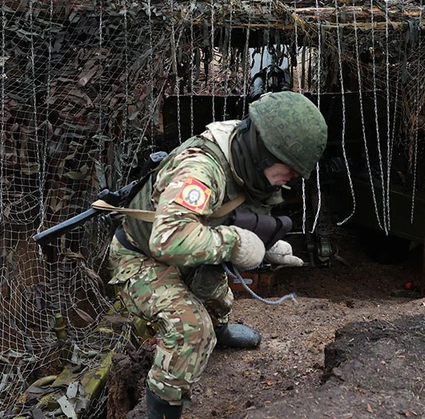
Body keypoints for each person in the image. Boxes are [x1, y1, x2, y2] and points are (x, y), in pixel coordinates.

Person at [107, 91, 328, 419]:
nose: (294, 177)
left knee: (217, 294)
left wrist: (264, 245)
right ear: (265, 151)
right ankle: (161, 410)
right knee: (192, 331)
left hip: (188, 252)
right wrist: (235, 243)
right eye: (291, 167)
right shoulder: (201, 169)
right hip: (142, 257)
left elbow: (231, 213)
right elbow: (167, 240)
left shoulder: (244, 158)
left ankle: (220, 329)